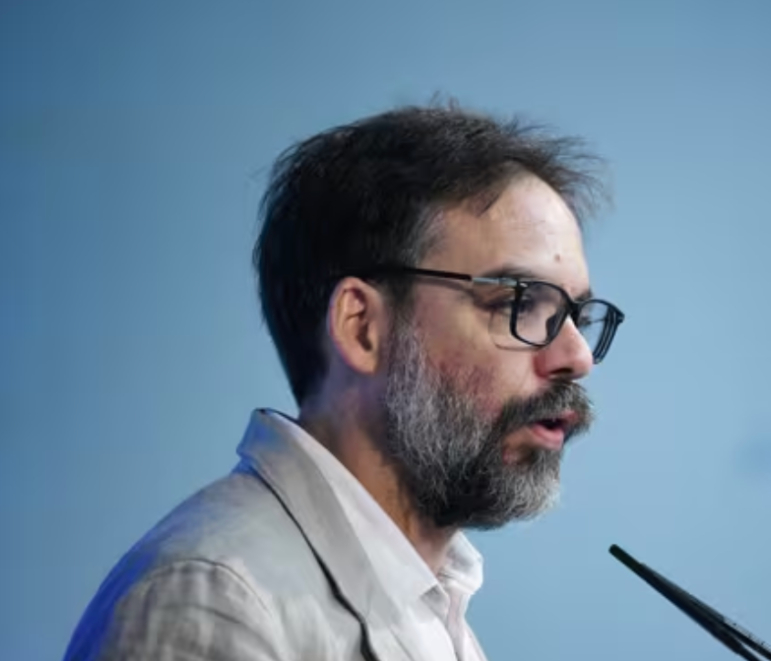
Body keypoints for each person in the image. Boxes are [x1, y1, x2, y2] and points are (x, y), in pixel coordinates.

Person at [63, 102, 625, 660]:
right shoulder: (214, 604)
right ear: (362, 327)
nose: (578, 357)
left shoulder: (434, 603)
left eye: (576, 315)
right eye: (520, 303)